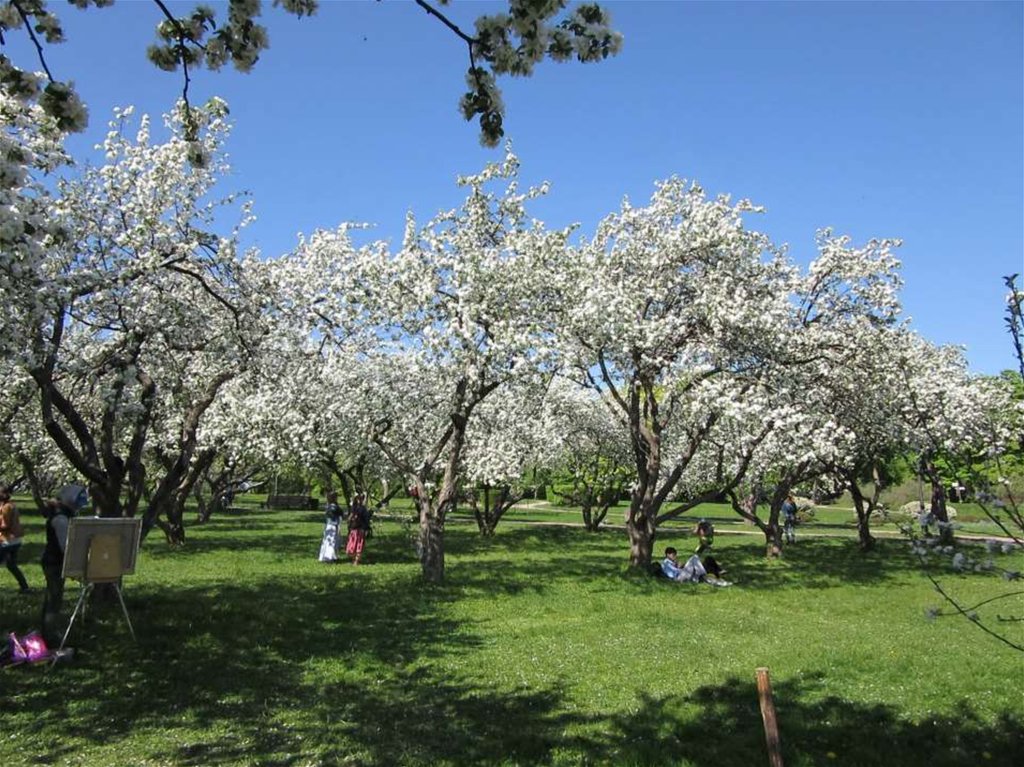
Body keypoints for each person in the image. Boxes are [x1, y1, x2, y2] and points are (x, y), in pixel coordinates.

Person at [40, 496, 75, 643]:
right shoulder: (61, 519)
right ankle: (49, 634)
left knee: (52, 596)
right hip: (54, 562)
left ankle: (46, 630)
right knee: (54, 598)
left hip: (52, 561)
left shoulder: (60, 516)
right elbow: (64, 545)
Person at [0, 489, 30, 593]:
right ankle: (25, 587)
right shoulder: (11, 505)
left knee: (11, 565)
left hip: (7, 541)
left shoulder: (6, 507)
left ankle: (25, 587)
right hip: (15, 540)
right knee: (11, 565)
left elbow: (6, 525)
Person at [345, 493, 370, 565]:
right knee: (353, 545)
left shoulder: (363, 509)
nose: (359, 500)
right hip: (354, 529)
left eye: (361, 498)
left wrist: (364, 528)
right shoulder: (354, 508)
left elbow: (366, 519)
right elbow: (350, 517)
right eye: (358, 498)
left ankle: (356, 561)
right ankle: (353, 559)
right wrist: (349, 521)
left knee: (359, 545)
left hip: (360, 529)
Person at [318, 491, 342, 563]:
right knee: (332, 541)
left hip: (329, 525)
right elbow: (340, 514)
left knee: (327, 541)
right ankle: (329, 557)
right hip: (333, 526)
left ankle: (326, 556)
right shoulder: (333, 507)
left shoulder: (329, 506)